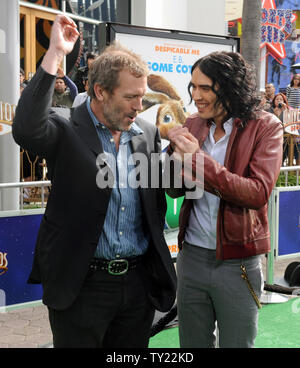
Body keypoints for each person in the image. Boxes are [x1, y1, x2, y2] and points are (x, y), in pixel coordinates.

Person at [12, 15, 176, 348]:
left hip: (137, 286)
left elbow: (164, 192)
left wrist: (185, 162)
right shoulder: (66, 128)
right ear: (99, 91)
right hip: (81, 287)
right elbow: (26, 129)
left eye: (142, 97)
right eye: (130, 97)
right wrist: (56, 53)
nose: (139, 106)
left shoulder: (145, 134)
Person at [165, 51, 283, 348]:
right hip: (191, 257)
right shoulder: (193, 124)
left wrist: (198, 160)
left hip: (237, 262)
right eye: (193, 86)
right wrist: (171, 159)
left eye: (205, 88)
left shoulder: (266, 127)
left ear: (230, 87)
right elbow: (173, 190)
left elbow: (257, 193)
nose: (196, 95)